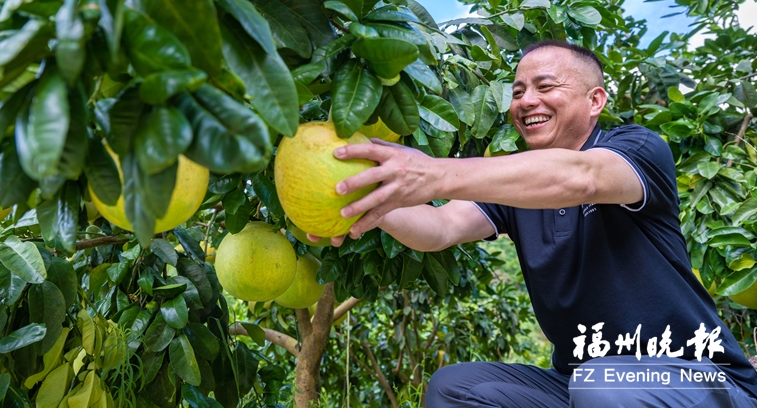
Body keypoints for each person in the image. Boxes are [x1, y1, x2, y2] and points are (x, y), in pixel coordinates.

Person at [320, 41, 757, 407]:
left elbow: (582, 178)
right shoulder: (519, 186)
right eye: (517, 90)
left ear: (595, 101)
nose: (526, 100)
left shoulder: (637, 148)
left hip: (697, 377)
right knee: (452, 389)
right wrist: (360, 200)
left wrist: (432, 171)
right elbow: (441, 227)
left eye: (545, 86)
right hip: (581, 384)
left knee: (600, 386)